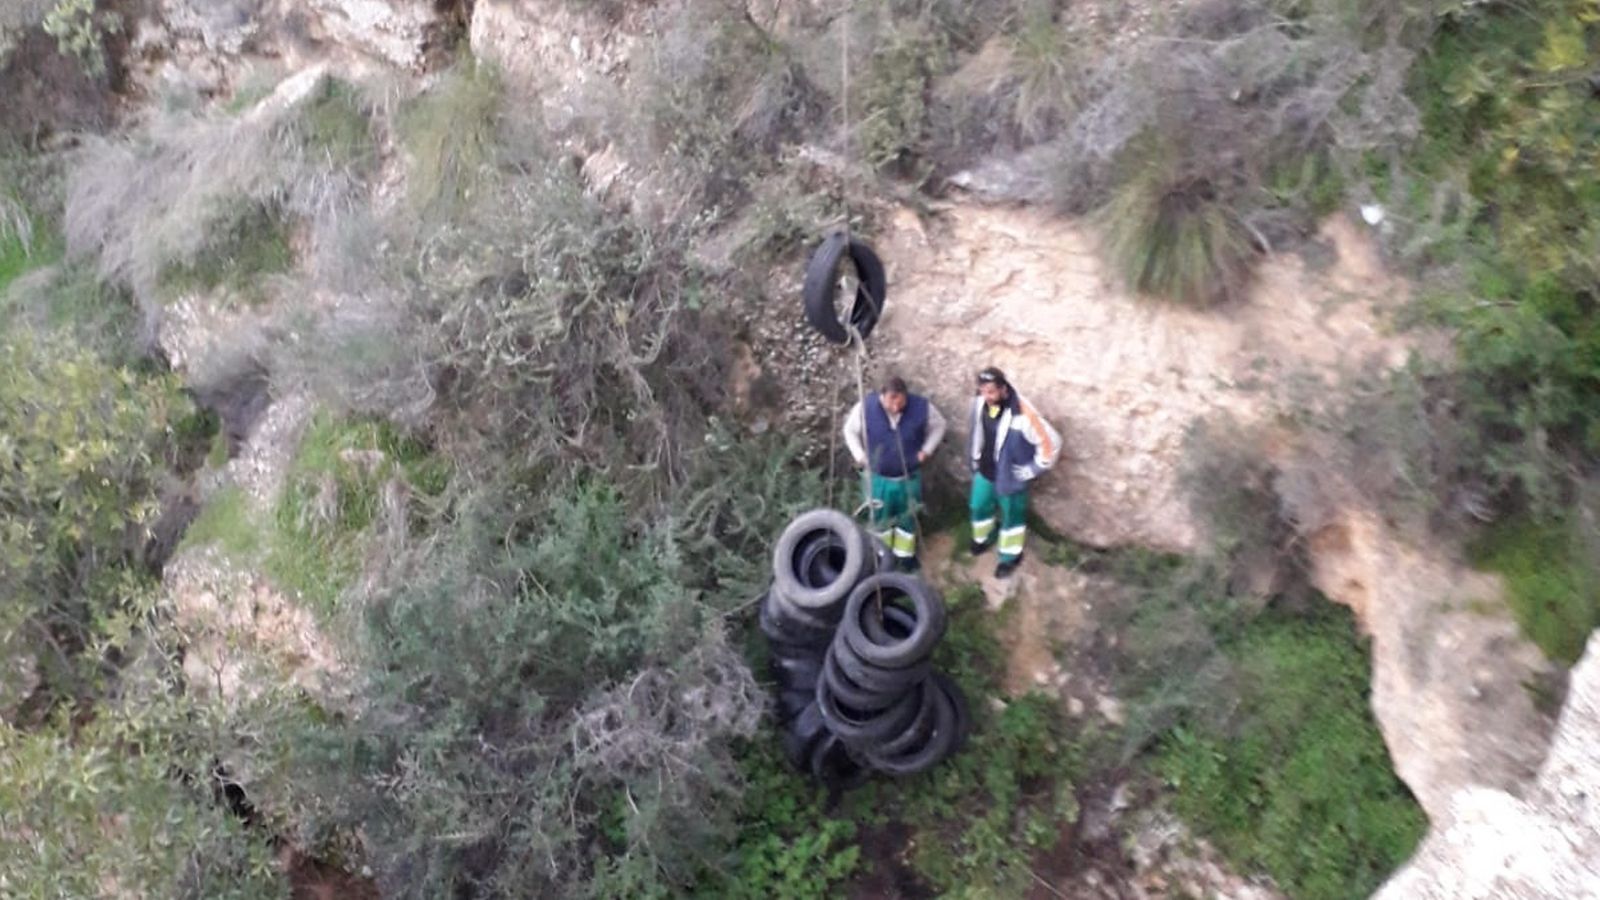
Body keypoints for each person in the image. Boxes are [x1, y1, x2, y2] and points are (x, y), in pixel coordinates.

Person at [843, 376, 948, 572]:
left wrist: (927, 450)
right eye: (891, 402)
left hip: (909, 478)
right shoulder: (866, 407)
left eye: (900, 403)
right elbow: (850, 430)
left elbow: (939, 425)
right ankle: (882, 559)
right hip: (878, 479)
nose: (896, 408)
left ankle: (906, 559)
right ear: (882, 396)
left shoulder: (921, 407)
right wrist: (859, 455)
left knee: (907, 519)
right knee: (880, 520)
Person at [967, 366, 1061, 578]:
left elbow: (1052, 443)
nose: (987, 396)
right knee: (978, 505)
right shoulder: (980, 403)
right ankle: (983, 538)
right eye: (983, 391)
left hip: (1010, 477)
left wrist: (1032, 470)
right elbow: (978, 432)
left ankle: (1009, 557)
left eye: (991, 391)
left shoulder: (1024, 414)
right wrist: (974, 458)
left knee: (1012, 516)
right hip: (985, 470)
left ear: (1003, 389)